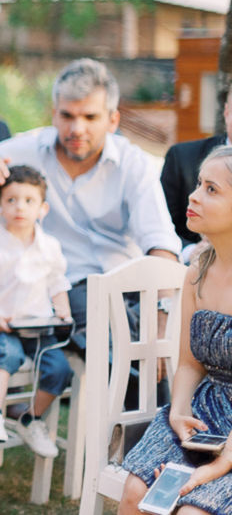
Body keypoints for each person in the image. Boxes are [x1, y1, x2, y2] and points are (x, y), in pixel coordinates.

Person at [0, 58, 181, 351]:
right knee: (103, 324)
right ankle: (143, 393)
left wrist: (161, 315)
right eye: (67, 116)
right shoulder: (25, 150)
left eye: (90, 117)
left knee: (154, 333)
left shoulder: (133, 164)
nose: (77, 128)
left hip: (127, 292)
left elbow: (161, 245)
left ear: (113, 120)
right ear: (54, 115)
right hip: (61, 294)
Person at [120, 145, 232, 515]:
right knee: (137, 492)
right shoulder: (198, 269)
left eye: (211, 189)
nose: (194, 195)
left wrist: (223, 461)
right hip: (204, 412)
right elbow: (188, 362)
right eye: (199, 183)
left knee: (192, 512)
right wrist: (178, 411)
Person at [0, 165, 73, 457]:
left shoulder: (49, 246)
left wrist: (62, 309)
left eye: (29, 201)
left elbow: (57, 281)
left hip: (38, 324)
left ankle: (31, 418)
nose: (20, 208)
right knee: (8, 355)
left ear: (42, 208)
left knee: (59, 369)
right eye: (12, 200)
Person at [162, 93, 231, 251]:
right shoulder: (182, 157)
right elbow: (157, 227)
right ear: (227, 112)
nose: (193, 197)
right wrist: (191, 252)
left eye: (211, 188)